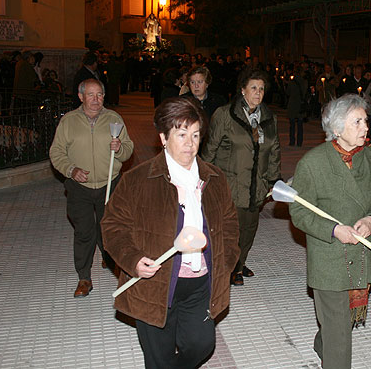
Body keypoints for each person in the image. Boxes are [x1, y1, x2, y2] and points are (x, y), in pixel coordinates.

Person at [101, 97, 240, 368]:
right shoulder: (138, 180)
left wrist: (225, 261)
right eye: (181, 134)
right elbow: (112, 226)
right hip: (154, 287)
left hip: (201, 283)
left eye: (196, 134)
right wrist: (132, 260)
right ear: (164, 137)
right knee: (159, 357)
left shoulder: (214, 178)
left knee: (202, 344)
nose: (190, 143)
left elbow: (230, 223)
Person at [289, 94, 371, 369]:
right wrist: (334, 230)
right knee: (340, 332)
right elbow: (299, 212)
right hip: (329, 256)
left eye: (365, 121)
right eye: (357, 121)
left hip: (360, 254)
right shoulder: (313, 163)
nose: (365, 127)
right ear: (336, 128)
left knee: (340, 319)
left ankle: (322, 342)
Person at [49, 78, 134, 297]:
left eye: (100, 95)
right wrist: (71, 170)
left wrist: (120, 148)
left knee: (110, 229)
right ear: (81, 97)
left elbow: (128, 149)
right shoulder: (69, 121)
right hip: (80, 186)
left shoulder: (113, 118)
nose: (96, 100)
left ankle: (118, 271)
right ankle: (84, 278)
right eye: (91, 95)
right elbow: (56, 152)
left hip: (109, 184)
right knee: (84, 231)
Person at [201, 70, 281, 286]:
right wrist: (200, 176)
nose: (258, 92)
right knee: (231, 229)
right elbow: (211, 148)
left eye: (262, 88)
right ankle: (229, 267)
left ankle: (239, 262)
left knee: (249, 228)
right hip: (230, 183)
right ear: (243, 90)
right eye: (253, 88)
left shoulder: (269, 118)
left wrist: (274, 181)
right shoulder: (225, 114)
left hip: (257, 186)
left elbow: (274, 150)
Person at [286, 68, 307, 146]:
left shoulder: (291, 82)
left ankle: (292, 141)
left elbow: (288, 92)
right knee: (300, 125)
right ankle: (299, 142)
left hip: (293, 105)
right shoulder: (304, 82)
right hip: (300, 105)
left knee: (292, 125)